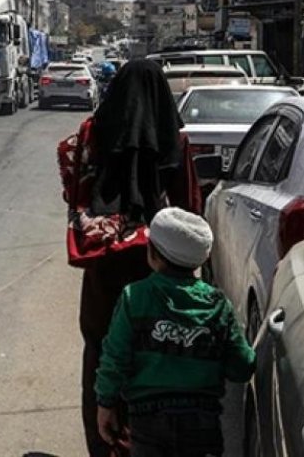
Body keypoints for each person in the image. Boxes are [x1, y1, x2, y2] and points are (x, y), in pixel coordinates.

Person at [70, 59, 202, 457]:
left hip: (105, 269)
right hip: (160, 269)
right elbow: (189, 210)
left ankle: (103, 444)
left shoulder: (93, 132)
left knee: (101, 352)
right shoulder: (173, 140)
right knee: (155, 357)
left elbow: (77, 193)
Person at [95, 207, 255, 456]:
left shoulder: (134, 297)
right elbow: (242, 366)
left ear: (153, 254)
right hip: (202, 422)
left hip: (147, 421)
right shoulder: (217, 304)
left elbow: (114, 358)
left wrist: (105, 404)